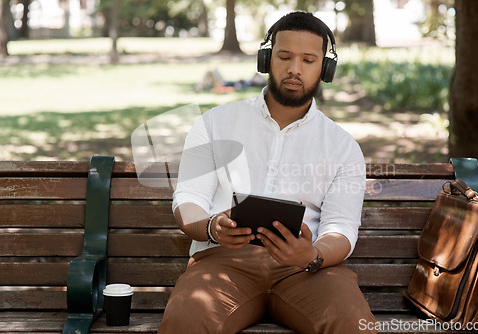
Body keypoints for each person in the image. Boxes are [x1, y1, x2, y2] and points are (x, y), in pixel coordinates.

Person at [158, 11, 377, 334]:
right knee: (185, 323)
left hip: (309, 270)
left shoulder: (343, 146)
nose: (294, 68)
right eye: (284, 56)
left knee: (354, 327)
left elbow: (341, 228)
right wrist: (211, 227)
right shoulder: (214, 123)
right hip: (223, 263)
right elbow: (189, 200)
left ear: (325, 69)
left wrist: (313, 253)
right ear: (266, 59)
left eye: (308, 59)